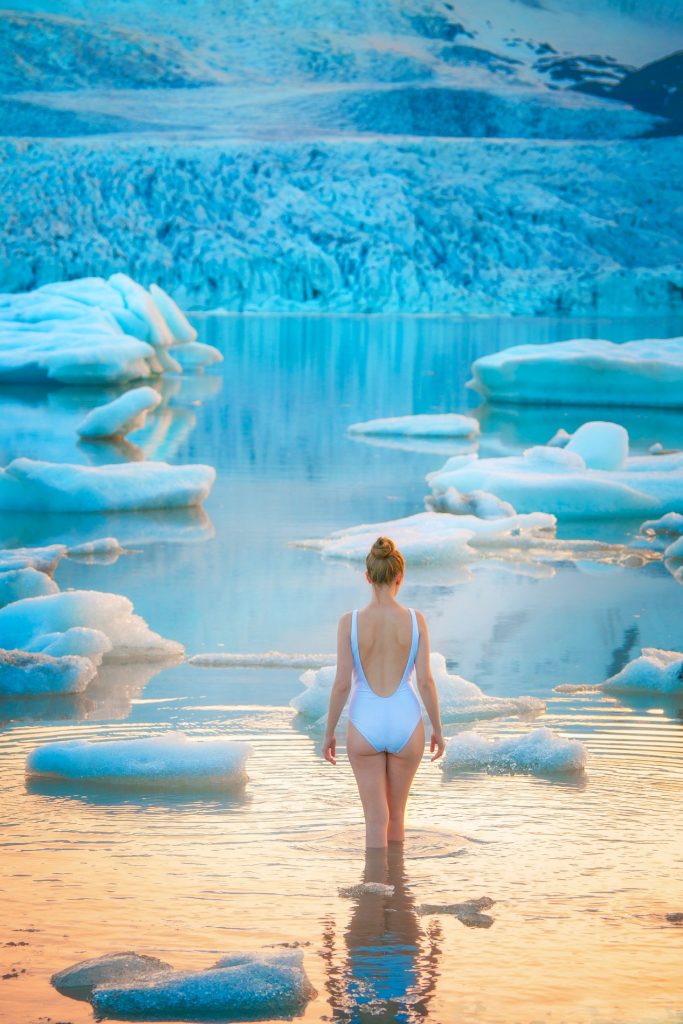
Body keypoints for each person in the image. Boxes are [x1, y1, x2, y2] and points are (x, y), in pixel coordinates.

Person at [322, 535, 445, 848]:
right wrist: (438, 731)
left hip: (366, 722)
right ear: (399, 578)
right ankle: (399, 892)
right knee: (397, 817)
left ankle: (373, 891)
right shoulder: (416, 620)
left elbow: (342, 684)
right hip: (406, 721)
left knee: (376, 821)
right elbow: (426, 682)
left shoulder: (349, 622)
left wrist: (329, 734)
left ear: (367, 577)